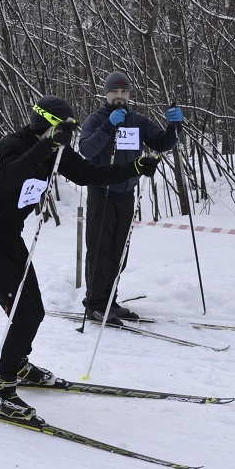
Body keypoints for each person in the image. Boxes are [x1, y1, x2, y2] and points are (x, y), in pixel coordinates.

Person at [0, 95, 160, 421]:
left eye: (70, 131)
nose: (67, 136)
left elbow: (90, 174)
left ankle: (20, 365)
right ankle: (3, 391)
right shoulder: (11, 145)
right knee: (24, 314)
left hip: (9, 240)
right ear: (47, 124)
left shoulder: (55, 152)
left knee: (35, 311)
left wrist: (134, 168)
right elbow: (11, 176)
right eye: (63, 129)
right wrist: (47, 145)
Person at [78, 70, 183, 325]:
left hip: (126, 194)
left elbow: (161, 143)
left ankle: (109, 300)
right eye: (114, 91)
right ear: (106, 94)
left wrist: (174, 125)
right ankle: (94, 303)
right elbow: (86, 149)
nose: (119, 96)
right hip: (102, 193)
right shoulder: (96, 119)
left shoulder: (137, 121)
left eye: (124, 92)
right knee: (100, 250)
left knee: (118, 252)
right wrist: (109, 125)